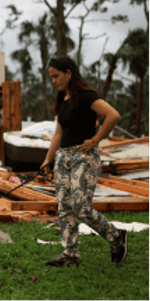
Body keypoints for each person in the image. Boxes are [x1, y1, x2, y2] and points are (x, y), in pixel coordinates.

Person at [40, 56, 128, 267]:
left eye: (56, 76)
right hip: (63, 158)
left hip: (84, 158)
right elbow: (58, 133)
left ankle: (116, 237)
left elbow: (113, 115)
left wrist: (96, 140)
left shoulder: (87, 96)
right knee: (65, 207)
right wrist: (47, 160)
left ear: (69, 73)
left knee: (81, 207)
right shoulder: (63, 98)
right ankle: (70, 253)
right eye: (51, 77)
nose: (53, 81)